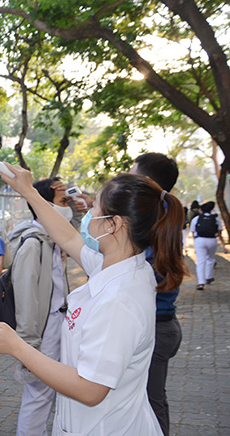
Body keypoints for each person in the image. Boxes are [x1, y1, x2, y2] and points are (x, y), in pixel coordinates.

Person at [0, 164, 187, 435]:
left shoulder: (119, 300)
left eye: (96, 211)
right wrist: (28, 191)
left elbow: (90, 389)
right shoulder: (117, 265)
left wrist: (16, 346)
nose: (89, 216)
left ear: (114, 225)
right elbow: (67, 236)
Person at [7, 177, 68, 436]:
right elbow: (25, 298)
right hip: (43, 332)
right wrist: (28, 345)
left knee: (49, 394)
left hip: (56, 325)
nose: (69, 208)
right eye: (63, 202)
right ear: (43, 205)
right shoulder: (34, 243)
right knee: (39, 395)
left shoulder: (52, 239)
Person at [131, 152, 183, 435]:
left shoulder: (154, 219)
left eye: (132, 174)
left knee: (151, 400)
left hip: (157, 328)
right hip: (162, 323)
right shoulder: (166, 214)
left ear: (147, 181)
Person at [191, 201, 226, 290]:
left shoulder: (196, 219)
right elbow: (219, 233)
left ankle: (201, 283)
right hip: (212, 240)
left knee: (201, 261)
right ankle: (208, 277)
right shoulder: (216, 219)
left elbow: (193, 232)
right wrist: (223, 245)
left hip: (200, 240)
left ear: (201, 210)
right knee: (210, 259)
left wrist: (195, 242)